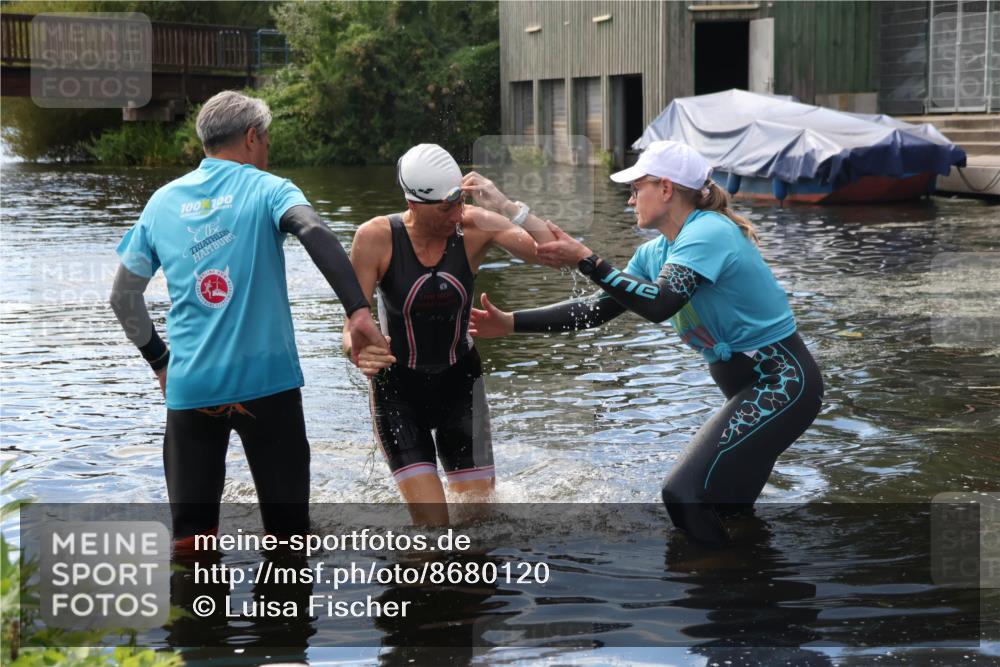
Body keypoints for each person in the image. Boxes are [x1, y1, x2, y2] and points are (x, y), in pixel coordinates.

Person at [469, 140, 824, 546]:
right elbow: (597, 309)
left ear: (667, 189)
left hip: (781, 385)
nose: (631, 198)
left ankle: (718, 577)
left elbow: (662, 303)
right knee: (726, 511)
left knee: (682, 495)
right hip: (753, 391)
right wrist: (512, 322)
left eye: (638, 188)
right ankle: (748, 591)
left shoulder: (709, 232)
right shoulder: (657, 253)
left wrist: (591, 261)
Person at [110, 90, 387, 548]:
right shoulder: (270, 188)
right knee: (288, 541)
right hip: (269, 386)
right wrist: (358, 309)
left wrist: (161, 362)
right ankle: (284, 619)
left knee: (190, 546)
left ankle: (197, 617)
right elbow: (313, 229)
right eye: (268, 139)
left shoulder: (162, 203)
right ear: (253, 137)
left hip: (191, 387)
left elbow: (123, 297)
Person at [343, 143, 556, 525]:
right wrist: (358, 352)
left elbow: (557, 251)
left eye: (459, 200)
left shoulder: (474, 225)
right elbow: (352, 329)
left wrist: (508, 209)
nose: (457, 214)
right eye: (446, 207)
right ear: (413, 203)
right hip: (398, 393)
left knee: (480, 527)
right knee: (433, 531)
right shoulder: (375, 237)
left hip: (461, 387)